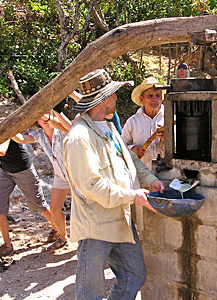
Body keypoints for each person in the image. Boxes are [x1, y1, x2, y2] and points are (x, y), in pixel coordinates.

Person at [63, 69, 165, 300]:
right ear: (103, 99)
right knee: (90, 294)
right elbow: (91, 186)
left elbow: (131, 162)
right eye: (113, 94)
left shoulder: (108, 128)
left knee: (134, 275)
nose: (116, 98)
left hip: (120, 220)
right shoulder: (80, 137)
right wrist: (133, 196)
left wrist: (152, 181)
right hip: (96, 226)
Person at [0, 94, 57, 257]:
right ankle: (7, 245)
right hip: (5, 170)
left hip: (22, 169)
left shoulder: (4, 125)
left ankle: (59, 230)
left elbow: (1, 150)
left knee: (38, 205)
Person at [12, 110, 72, 251]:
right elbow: (21, 139)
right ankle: (63, 238)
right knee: (55, 208)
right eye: (40, 117)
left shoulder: (61, 129)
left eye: (46, 114)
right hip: (60, 176)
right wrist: (7, 128)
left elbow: (71, 128)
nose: (44, 119)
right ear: (36, 121)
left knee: (84, 208)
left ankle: (88, 239)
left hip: (76, 174)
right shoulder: (39, 135)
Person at [122, 77, 165, 170]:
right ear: (142, 99)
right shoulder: (132, 122)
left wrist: (166, 139)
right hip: (141, 175)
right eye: (150, 96)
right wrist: (131, 149)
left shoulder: (170, 119)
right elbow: (121, 147)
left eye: (158, 95)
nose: (154, 99)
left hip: (167, 174)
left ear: (162, 98)